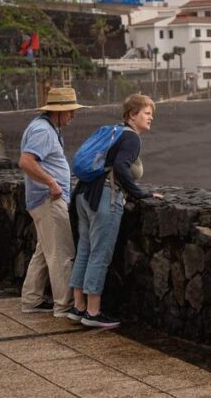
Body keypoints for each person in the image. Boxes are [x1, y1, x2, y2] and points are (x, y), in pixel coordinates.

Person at [68, 94, 163, 328]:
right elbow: (121, 167)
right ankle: (93, 312)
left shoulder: (114, 131)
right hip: (104, 197)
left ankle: (77, 307)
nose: (151, 118)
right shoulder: (131, 138)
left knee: (84, 250)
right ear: (132, 114)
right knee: (100, 253)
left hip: (82, 194)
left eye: (152, 114)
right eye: (147, 113)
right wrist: (140, 193)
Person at [18, 87, 84, 317]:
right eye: (69, 111)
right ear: (58, 111)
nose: (72, 116)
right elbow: (26, 161)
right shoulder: (43, 131)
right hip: (49, 200)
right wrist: (51, 183)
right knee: (62, 254)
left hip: (42, 199)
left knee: (44, 253)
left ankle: (31, 300)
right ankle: (64, 306)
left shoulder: (44, 127)